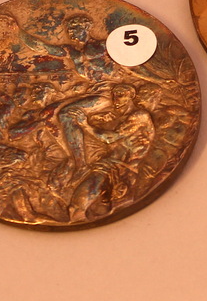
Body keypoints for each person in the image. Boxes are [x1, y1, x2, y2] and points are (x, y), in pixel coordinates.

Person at [65, 84, 155, 221]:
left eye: (121, 94)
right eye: (114, 94)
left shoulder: (140, 116)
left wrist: (85, 125)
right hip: (109, 163)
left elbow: (110, 138)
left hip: (123, 168)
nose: (116, 98)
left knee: (80, 201)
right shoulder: (116, 118)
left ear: (131, 96)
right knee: (77, 203)